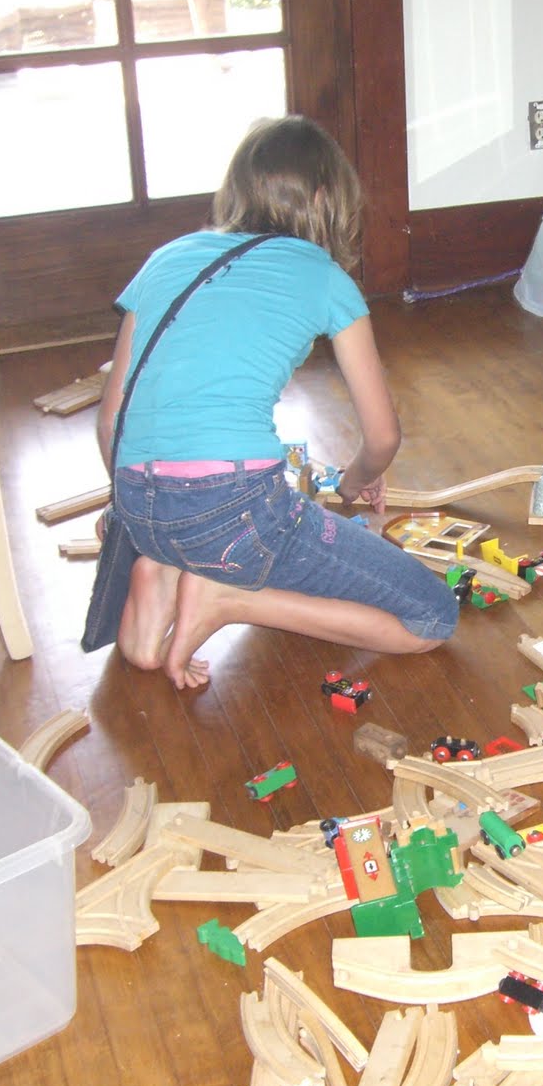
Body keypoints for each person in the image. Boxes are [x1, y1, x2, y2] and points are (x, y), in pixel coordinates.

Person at [96, 114, 457, 689]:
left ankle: (163, 570)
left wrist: (136, 503)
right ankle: (225, 599)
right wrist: (352, 483)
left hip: (138, 505)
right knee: (431, 618)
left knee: (196, 528)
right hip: (234, 512)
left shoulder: (166, 258)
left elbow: (111, 419)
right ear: (325, 199)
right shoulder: (326, 278)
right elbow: (383, 436)